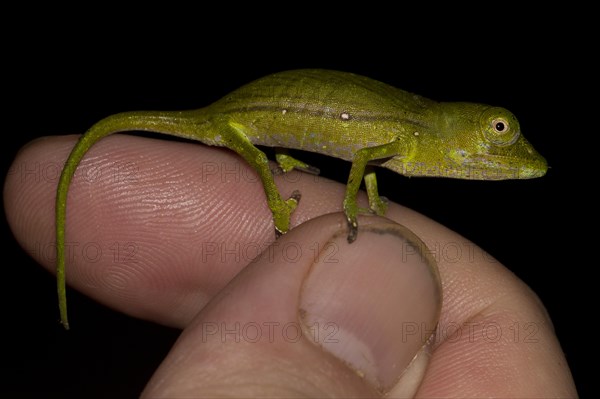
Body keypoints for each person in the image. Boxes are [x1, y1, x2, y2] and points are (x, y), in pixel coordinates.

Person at [4, 134, 577, 397]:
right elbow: (361, 157)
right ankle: (273, 181)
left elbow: (369, 154)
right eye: (499, 132)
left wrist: (368, 195)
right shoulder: (410, 135)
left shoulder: (408, 138)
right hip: (241, 124)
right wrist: (350, 207)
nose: (503, 144)